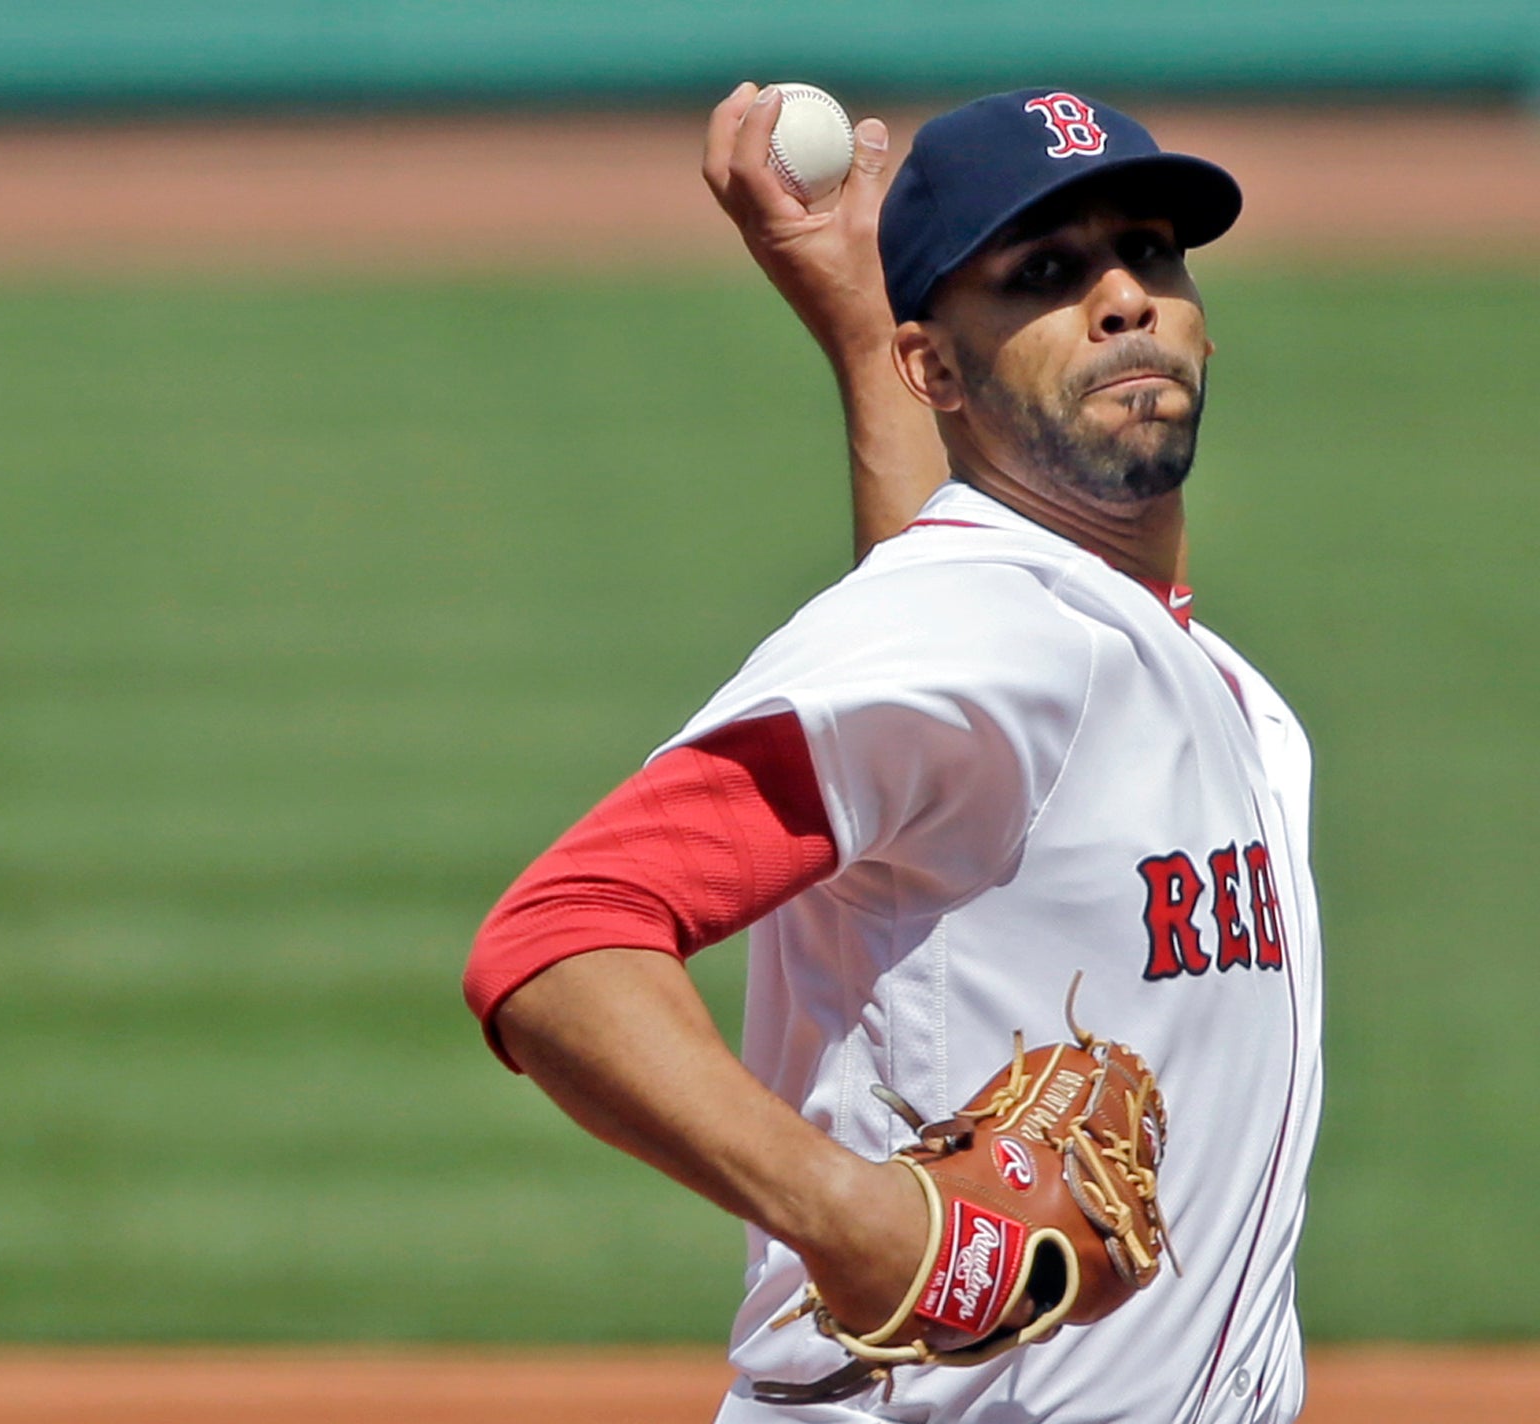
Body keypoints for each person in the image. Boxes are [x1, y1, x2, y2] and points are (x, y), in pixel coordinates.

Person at [464, 85, 1323, 1424]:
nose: (1124, 299)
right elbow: (560, 938)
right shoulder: (996, 631)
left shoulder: (1174, 671)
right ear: (942, 371)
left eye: (1148, 253)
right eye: (1046, 273)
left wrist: (874, 348)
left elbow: (950, 687)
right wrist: (849, 1213)